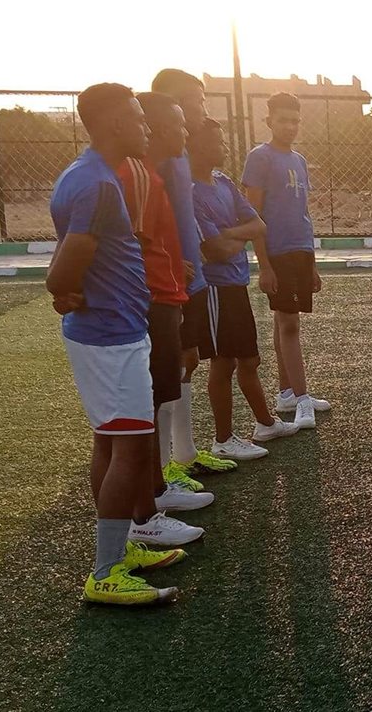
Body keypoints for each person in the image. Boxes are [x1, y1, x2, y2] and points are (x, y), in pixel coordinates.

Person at [49, 83, 187, 605]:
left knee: (110, 440)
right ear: (112, 124)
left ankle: (121, 548)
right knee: (128, 445)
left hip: (111, 329)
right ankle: (106, 571)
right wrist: (64, 290)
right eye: (136, 117)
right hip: (112, 335)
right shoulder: (98, 184)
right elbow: (66, 262)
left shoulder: (87, 175)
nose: (145, 126)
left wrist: (71, 289)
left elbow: (75, 250)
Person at [123, 92, 217, 522]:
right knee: (149, 401)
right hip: (156, 296)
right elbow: (130, 242)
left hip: (172, 290)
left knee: (168, 383)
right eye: (179, 123)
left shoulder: (158, 174)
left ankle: (161, 482)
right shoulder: (139, 176)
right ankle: (152, 498)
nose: (187, 130)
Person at [149, 69, 241, 473]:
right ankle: (163, 470)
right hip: (171, 278)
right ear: (171, 102)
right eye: (196, 100)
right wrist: (170, 263)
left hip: (192, 276)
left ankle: (183, 455)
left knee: (186, 362)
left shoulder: (181, 154)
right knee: (167, 372)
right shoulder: (157, 158)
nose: (203, 108)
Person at [189, 119, 300, 451]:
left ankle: (265, 423)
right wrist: (236, 237)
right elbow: (215, 250)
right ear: (196, 146)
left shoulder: (223, 183)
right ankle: (223, 439)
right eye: (217, 143)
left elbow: (258, 225)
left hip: (235, 281)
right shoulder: (191, 194)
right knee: (223, 362)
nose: (224, 148)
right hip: (214, 288)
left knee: (249, 360)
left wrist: (230, 235)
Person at [243, 92, 330, 429]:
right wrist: (263, 264)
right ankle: (303, 398)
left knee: (285, 323)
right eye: (283, 120)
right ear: (269, 121)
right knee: (289, 323)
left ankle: (287, 392)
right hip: (276, 253)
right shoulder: (259, 158)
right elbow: (254, 213)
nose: (290, 126)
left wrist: (312, 262)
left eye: (295, 120)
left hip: (299, 251)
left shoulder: (298, 160)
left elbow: (303, 212)